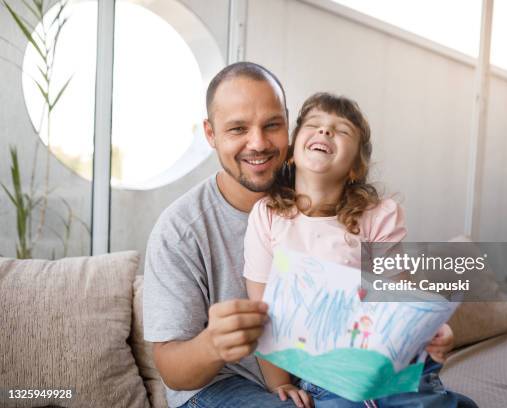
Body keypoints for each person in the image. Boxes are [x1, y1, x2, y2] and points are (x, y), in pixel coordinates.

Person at [243, 93, 476, 408]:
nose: (325, 132)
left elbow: (398, 295)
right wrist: (280, 384)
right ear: (291, 152)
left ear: (355, 167)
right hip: (326, 377)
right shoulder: (268, 216)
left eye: (341, 130)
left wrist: (432, 329)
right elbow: (263, 311)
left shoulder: (379, 215)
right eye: (315, 125)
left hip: (392, 364)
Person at [144, 61, 298, 408]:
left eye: (272, 125)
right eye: (238, 129)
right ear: (211, 134)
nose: (257, 143)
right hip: (222, 385)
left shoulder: (320, 187)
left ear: (288, 124)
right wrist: (213, 343)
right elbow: (172, 370)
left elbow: (386, 269)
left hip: (315, 375)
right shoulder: (180, 230)